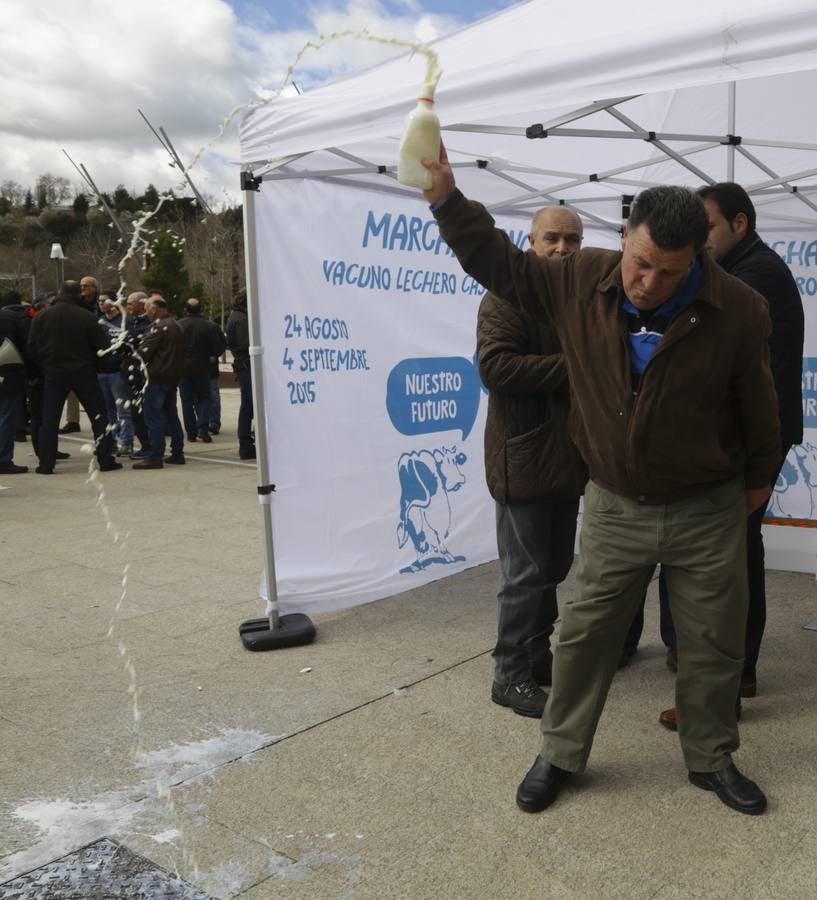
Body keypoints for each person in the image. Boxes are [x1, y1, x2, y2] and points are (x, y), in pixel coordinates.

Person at [423, 144, 780, 816]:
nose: (648, 282)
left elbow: (757, 404)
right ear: (623, 237)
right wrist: (445, 198)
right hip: (615, 502)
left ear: (699, 256)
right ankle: (559, 752)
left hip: (705, 506)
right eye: (640, 263)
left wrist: (759, 479)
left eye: (669, 273)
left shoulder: (737, 308)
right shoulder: (576, 277)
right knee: (582, 636)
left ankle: (710, 758)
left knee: (710, 640)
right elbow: (496, 263)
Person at [657, 182, 804, 731]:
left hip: (748, 440)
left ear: (739, 224)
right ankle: (724, 670)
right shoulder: (748, 268)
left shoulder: (752, 276)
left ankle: (726, 684)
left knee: (728, 559)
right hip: (741, 436)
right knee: (734, 552)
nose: (697, 240)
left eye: (707, 227)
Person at [480, 207, 587, 718]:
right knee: (523, 575)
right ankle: (510, 674)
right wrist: (581, 369)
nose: (563, 248)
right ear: (531, 241)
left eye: (572, 239)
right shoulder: (506, 293)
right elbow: (496, 367)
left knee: (552, 569)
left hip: (567, 458)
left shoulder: (578, 297)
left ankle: (537, 657)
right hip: (522, 458)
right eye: (553, 238)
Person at [27, 281, 122, 474]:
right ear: (78, 294)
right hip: (84, 372)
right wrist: (97, 367)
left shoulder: (42, 316)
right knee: (98, 416)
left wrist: (42, 369)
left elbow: (32, 348)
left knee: (50, 420)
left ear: (60, 292)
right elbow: (102, 348)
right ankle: (105, 459)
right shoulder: (87, 317)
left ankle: (46, 463)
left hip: (53, 373)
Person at [134, 297, 185, 469]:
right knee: (171, 416)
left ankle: (155, 456)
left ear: (154, 310)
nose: (146, 312)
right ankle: (178, 453)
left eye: (147, 309)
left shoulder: (158, 327)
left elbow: (143, 353)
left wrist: (134, 352)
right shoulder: (177, 325)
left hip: (156, 378)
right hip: (172, 377)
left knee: (153, 418)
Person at [177, 298, 226, 443]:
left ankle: (191, 432)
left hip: (184, 368)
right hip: (203, 367)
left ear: (185, 310)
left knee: (187, 401)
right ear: (201, 309)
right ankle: (203, 428)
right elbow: (221, 344)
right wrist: (213, 355)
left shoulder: (179, 325)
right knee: (204, 398)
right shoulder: (210, 326)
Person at [0, 293, 37, 474]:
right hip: (9, 372)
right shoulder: (11, 318)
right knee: (7, 417)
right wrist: (32, 372)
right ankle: (3, 459)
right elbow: (26, 346)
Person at [59, 275, 100, 434]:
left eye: (87, 286)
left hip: (95, 349)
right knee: (72, 392)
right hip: (78, 351)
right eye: (81, 286)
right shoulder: (76, 303)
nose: (83, 289)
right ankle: (73, 420)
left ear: (95, 289)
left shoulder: (100, 305)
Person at [96, 294, 134, 456]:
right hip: (101, 371)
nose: (101, 303)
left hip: (118, 372)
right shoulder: (99, 322)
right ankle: (111, 440)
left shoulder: (125, 320)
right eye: (99, 301)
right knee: (107, 410)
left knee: (123, 409)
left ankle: (126, 442)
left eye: (104, 300)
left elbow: (130, 345)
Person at [226, 289, 255, 460]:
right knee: (249, 406)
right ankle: (246, 444)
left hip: (243, 364)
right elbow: (246, 343)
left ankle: (246, 443)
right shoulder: (242, 318)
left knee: (247, 406)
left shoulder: (237, 315)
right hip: (246, 365)